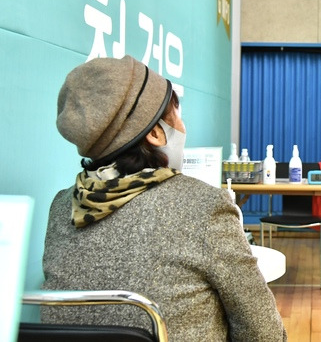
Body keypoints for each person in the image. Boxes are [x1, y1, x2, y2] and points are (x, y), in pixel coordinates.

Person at [42, 56, 287, 341]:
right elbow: (264, 332)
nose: (183, 125)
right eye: (176, 114)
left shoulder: (62, 207)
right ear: (157, 134)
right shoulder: (205, 207)